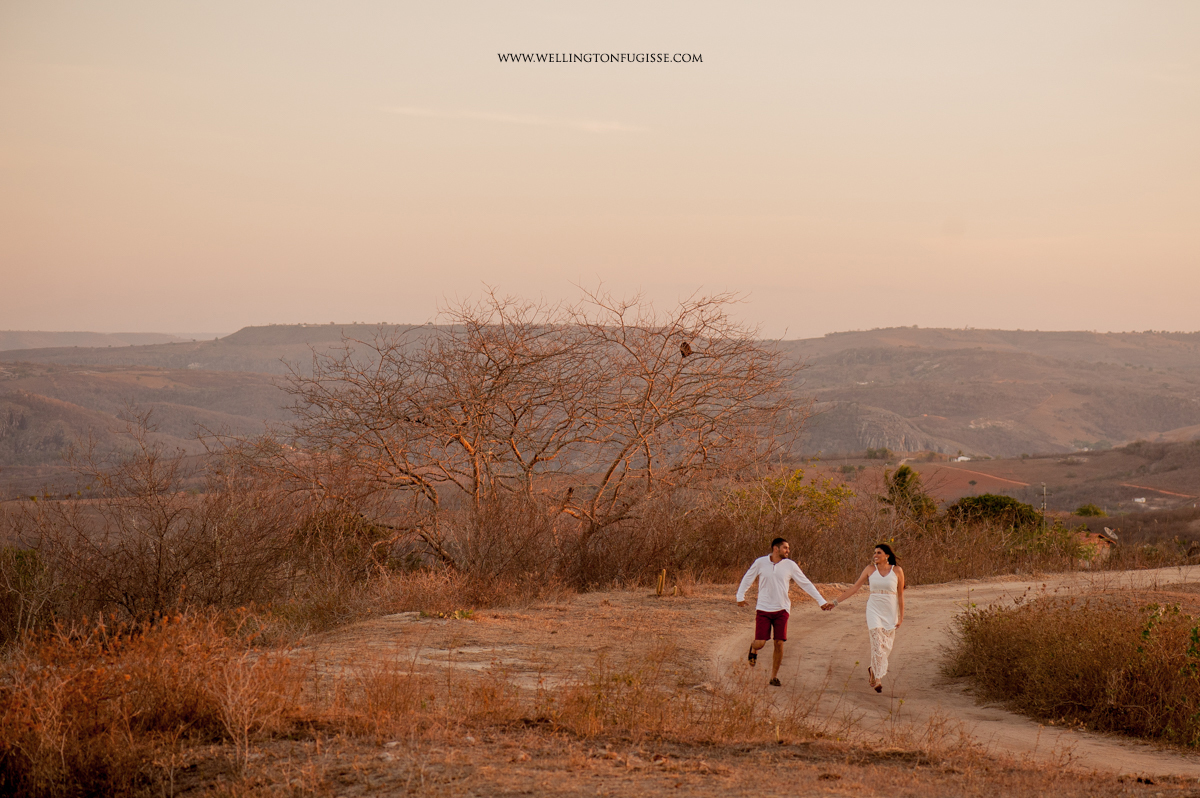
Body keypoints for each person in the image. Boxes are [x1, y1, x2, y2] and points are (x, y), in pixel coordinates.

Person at [736, 537, 833, 686]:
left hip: (782, 609)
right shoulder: (760, 562)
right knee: (760, 643)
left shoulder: (790, 565)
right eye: (785, 548)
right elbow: (748, 578)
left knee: (779, 643)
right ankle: (753, 648)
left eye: (788, 548)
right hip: (763, 608)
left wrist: (821, 601)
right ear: (776, 548)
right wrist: (740, 596)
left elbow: (805, 583)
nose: (788, 551)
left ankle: (773, 676)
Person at [824, 543, 904, 692]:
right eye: (874, 553)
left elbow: (900, 594)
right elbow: (855, 587)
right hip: (874, 609)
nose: (875, 555)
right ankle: (878, 678)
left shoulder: (897, 571)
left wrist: (901, 617)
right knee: (876, 642)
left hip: (890, 611)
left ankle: (874, 669)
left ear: (886, 555)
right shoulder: (869, 570)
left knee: (886, 645)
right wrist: (835, 602)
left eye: (878, 553)